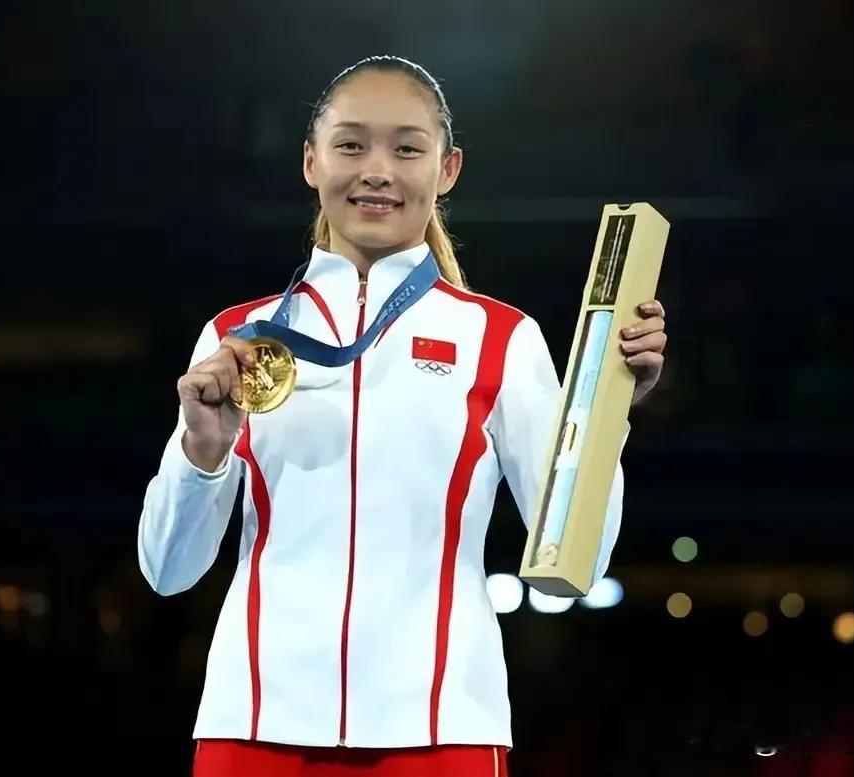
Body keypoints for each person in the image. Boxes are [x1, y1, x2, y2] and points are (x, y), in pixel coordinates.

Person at [137, 55, 668, 777]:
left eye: (407, 149)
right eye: (351, 144)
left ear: (447, 169)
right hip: (252, 725)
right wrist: (203, 453)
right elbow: (168, 571)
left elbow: (574, 566)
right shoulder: (236, 339)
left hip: (443, 730)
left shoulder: (501, 339)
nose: (377, 171)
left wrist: (604, 414)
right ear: (311, 161)